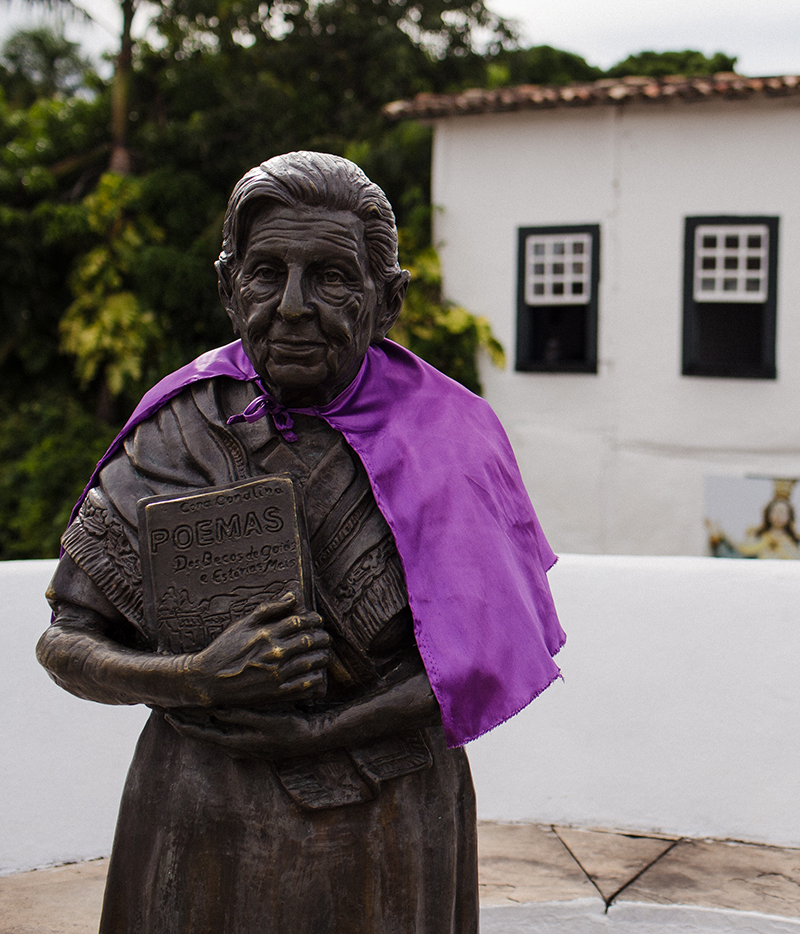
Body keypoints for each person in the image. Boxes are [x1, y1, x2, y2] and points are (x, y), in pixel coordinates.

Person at [36, 152, 564, 934]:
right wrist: (197, 676)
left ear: (388, 300)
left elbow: (480, 661)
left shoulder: (453, 441)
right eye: (265, 272)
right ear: (227, 286)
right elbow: (66, 641)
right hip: (199, 813)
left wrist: (324, 729)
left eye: (331, 276)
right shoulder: (175, 431)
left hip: (386, 824)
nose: (291, 306)